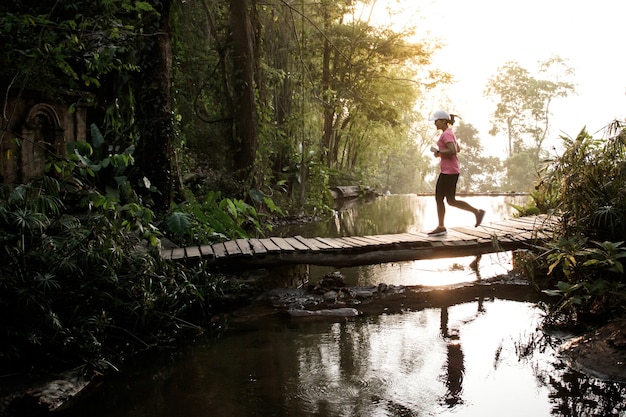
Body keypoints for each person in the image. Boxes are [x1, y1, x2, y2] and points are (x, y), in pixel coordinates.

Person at [427, 110, 485, 236]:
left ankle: (441, 227)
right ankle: (476, 212)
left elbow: (453, 150)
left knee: (439, 198)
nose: (435, 123)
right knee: (451, 200)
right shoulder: (449, 133)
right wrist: (439, 153)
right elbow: (457, 148)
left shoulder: (446, 134)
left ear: (443, 121)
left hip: (449, 171)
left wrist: (439, 151)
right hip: (451, 170)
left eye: (436, 121)